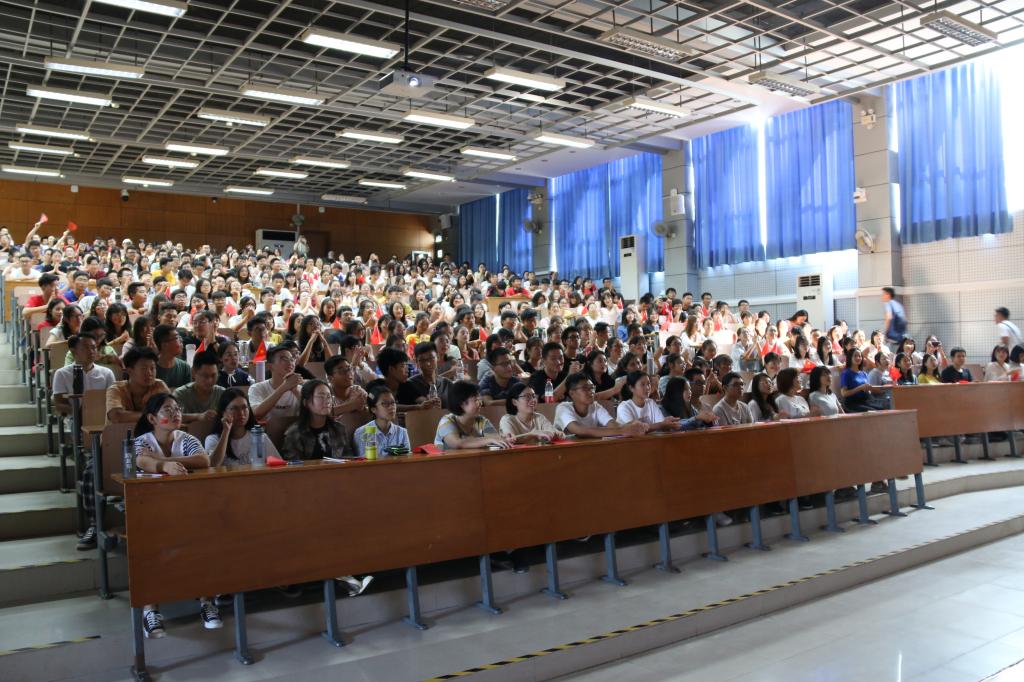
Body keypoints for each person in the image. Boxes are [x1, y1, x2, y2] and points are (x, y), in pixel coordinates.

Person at [131, 393, 215, 638]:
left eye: (177, 409)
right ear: (152, 418)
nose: (175, 414)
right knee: (150, 545)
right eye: (167, 410)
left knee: (206, 539)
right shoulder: (143, 441)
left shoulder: (185, 438)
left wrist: (167, 460)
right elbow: (142, 460)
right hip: (150, 509)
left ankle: (207, 602)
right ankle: (150, 610)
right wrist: (162, 465)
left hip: (186, 506)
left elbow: (203, 460)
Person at [553, 373, 648, 438]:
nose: (591, 392)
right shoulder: (563, 408)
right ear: (572, 393)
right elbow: (579, 430)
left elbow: (613, 425)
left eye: (592, 387)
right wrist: (622, 430)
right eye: (585, 388)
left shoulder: (595, 406)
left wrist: (632, 425)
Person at [205, 388, 279, 466]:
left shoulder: (259, 437)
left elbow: (278, 465)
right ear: (223, 412)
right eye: (234, 408)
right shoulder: (213, 439)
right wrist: (226, 431)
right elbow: (213, 465)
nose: (241, 413)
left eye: (244, 407)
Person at [282, 380, 352, 459]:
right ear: (306, 403)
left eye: (329, 396)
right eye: (321, 397)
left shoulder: (339, 428)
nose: (327, 401)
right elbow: (293, 464)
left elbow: (348, 458)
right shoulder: (294, 433)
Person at [434, 381, 513, 450]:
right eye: (475, 400)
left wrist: (504, 438)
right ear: (461, 403)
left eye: (479, 400)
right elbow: (457, 443)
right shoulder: (447, 421)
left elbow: (495, 439)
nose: (480, 403)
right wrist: (490, 439)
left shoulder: (481, 421)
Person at [106, 347, 172, 423]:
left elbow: (171, 412)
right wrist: (154, 416)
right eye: (144, 368)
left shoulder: (159, 386)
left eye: (152, 368)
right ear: (129, 371)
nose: (149, 373)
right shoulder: (116, 389)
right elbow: (117, 416)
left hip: (151, 430)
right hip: (120, 430)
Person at [353, 384, 410, 457]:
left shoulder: (402, 432)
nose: (391, 407)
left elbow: (407, 459)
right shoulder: (362, 432)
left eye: (393, 403)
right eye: (385, 404)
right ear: (373, 409)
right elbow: (363, 461)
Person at [249, 345, 303, 420]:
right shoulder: (257, 388)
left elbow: (313, 414)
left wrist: (296, 392)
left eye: (292, 359)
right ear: (269, 366)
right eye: (284, 359)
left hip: (294, 427)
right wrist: (284, 387)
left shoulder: (300, 389)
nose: (290, 363)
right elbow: (256, 414)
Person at [499, 383, 563, 444]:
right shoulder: (507, 420)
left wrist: (557, 433)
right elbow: (509, 439)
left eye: (533, 396)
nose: (533, 400)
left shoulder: (539, 417)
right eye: (527, 396)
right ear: (514, 402)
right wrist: (532, 434)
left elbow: (551, 431)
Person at [616, 371, 680, 430]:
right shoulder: (624, 407)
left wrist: (668, 423)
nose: (647, 388)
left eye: (648, 384)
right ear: (631, 388)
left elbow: (662, 423)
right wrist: (662, 425)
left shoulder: (651, 402)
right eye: (642, 384)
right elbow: (634, 429)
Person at [172, 350, 224, 421]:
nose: (210, 380)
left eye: (213, 375)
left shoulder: (222, 394)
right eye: (205, 376)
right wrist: (198, 416)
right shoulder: (181, 394)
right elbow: (171, 417)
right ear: (193, 372)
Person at [401, 342, 451, 408]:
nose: (428, 363)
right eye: (422, 360)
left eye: (431, 358)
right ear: (416, 362)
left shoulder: (446, 384)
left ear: (437, 357)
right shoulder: (410, 384)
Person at [152, 324, 191, 389]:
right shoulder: (151, 368)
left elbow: (188, 392)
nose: (181, 340)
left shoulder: (185, 367)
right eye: (176, 338)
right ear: (164, 345)